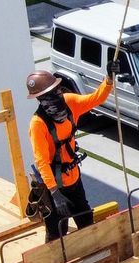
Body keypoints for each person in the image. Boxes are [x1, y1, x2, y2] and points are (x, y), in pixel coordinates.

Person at [28, 70, 113, 241]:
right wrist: (54, 194)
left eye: (58, 90)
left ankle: (92, 257)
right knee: (57, 230)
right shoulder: (38, 124)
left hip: (73, 179)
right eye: (53, 93)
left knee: (86, 220)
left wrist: (109, 80)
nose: (59, 94)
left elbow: (95, 99)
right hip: (55, 186)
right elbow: (42, 162)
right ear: (42, 99)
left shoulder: (69, 103)